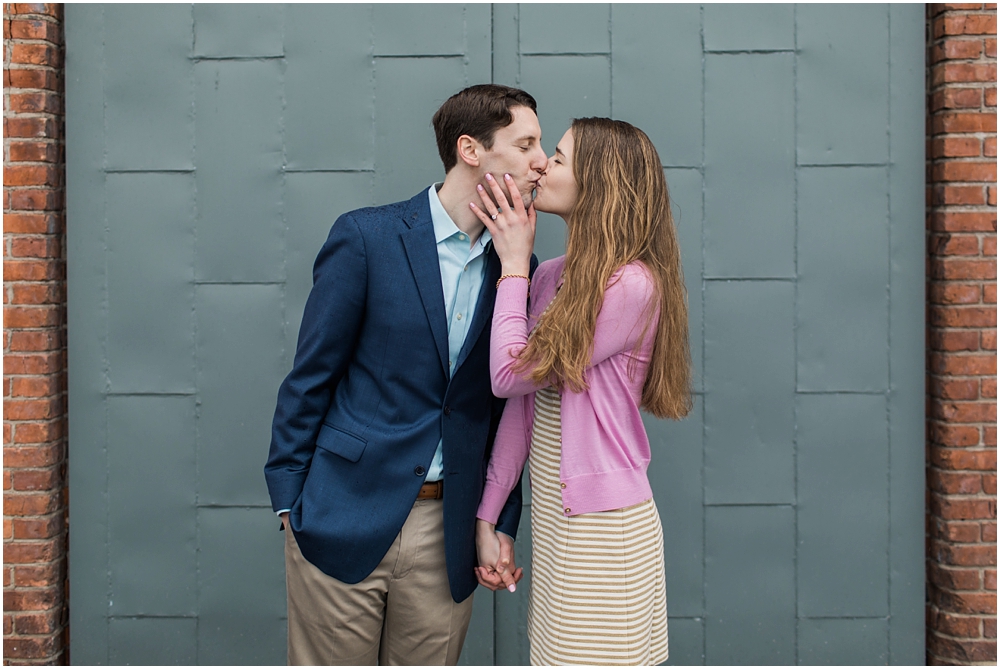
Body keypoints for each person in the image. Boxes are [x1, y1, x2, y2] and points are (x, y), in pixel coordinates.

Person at [264, 84, 547, 666]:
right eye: (526, 144)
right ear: (471, 150)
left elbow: (507, 409)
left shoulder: (520, 268)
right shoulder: (367, 238)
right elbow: (311, 374)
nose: (541, 160)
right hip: (341, 510)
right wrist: (292, 504)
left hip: (447, 529)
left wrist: (497, 519)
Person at [469, 117, 693, 666]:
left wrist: (514, 263)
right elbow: (522, 412)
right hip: (555, 525)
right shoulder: (554, 278)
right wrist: (490, 518)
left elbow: (508, 374)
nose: (542, 163)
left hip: (604, 534)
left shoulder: (632, 285)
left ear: (600, 183)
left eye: (561, 158)